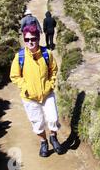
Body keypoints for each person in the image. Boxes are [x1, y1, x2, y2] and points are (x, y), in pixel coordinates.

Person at [10, 24, 62, 157]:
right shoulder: (20, 57)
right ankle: (43, 142)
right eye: (27, 40)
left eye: (33, 39)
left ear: (38, 39)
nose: (30, 42)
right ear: (24, 40)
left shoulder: (46, 54)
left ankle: (53, 137)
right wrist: (25, 87)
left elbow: (53, 70)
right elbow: (15, 76)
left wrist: (50, 84)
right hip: (29, 97)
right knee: (37, 123)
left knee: (53, 118)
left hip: (47, 93)